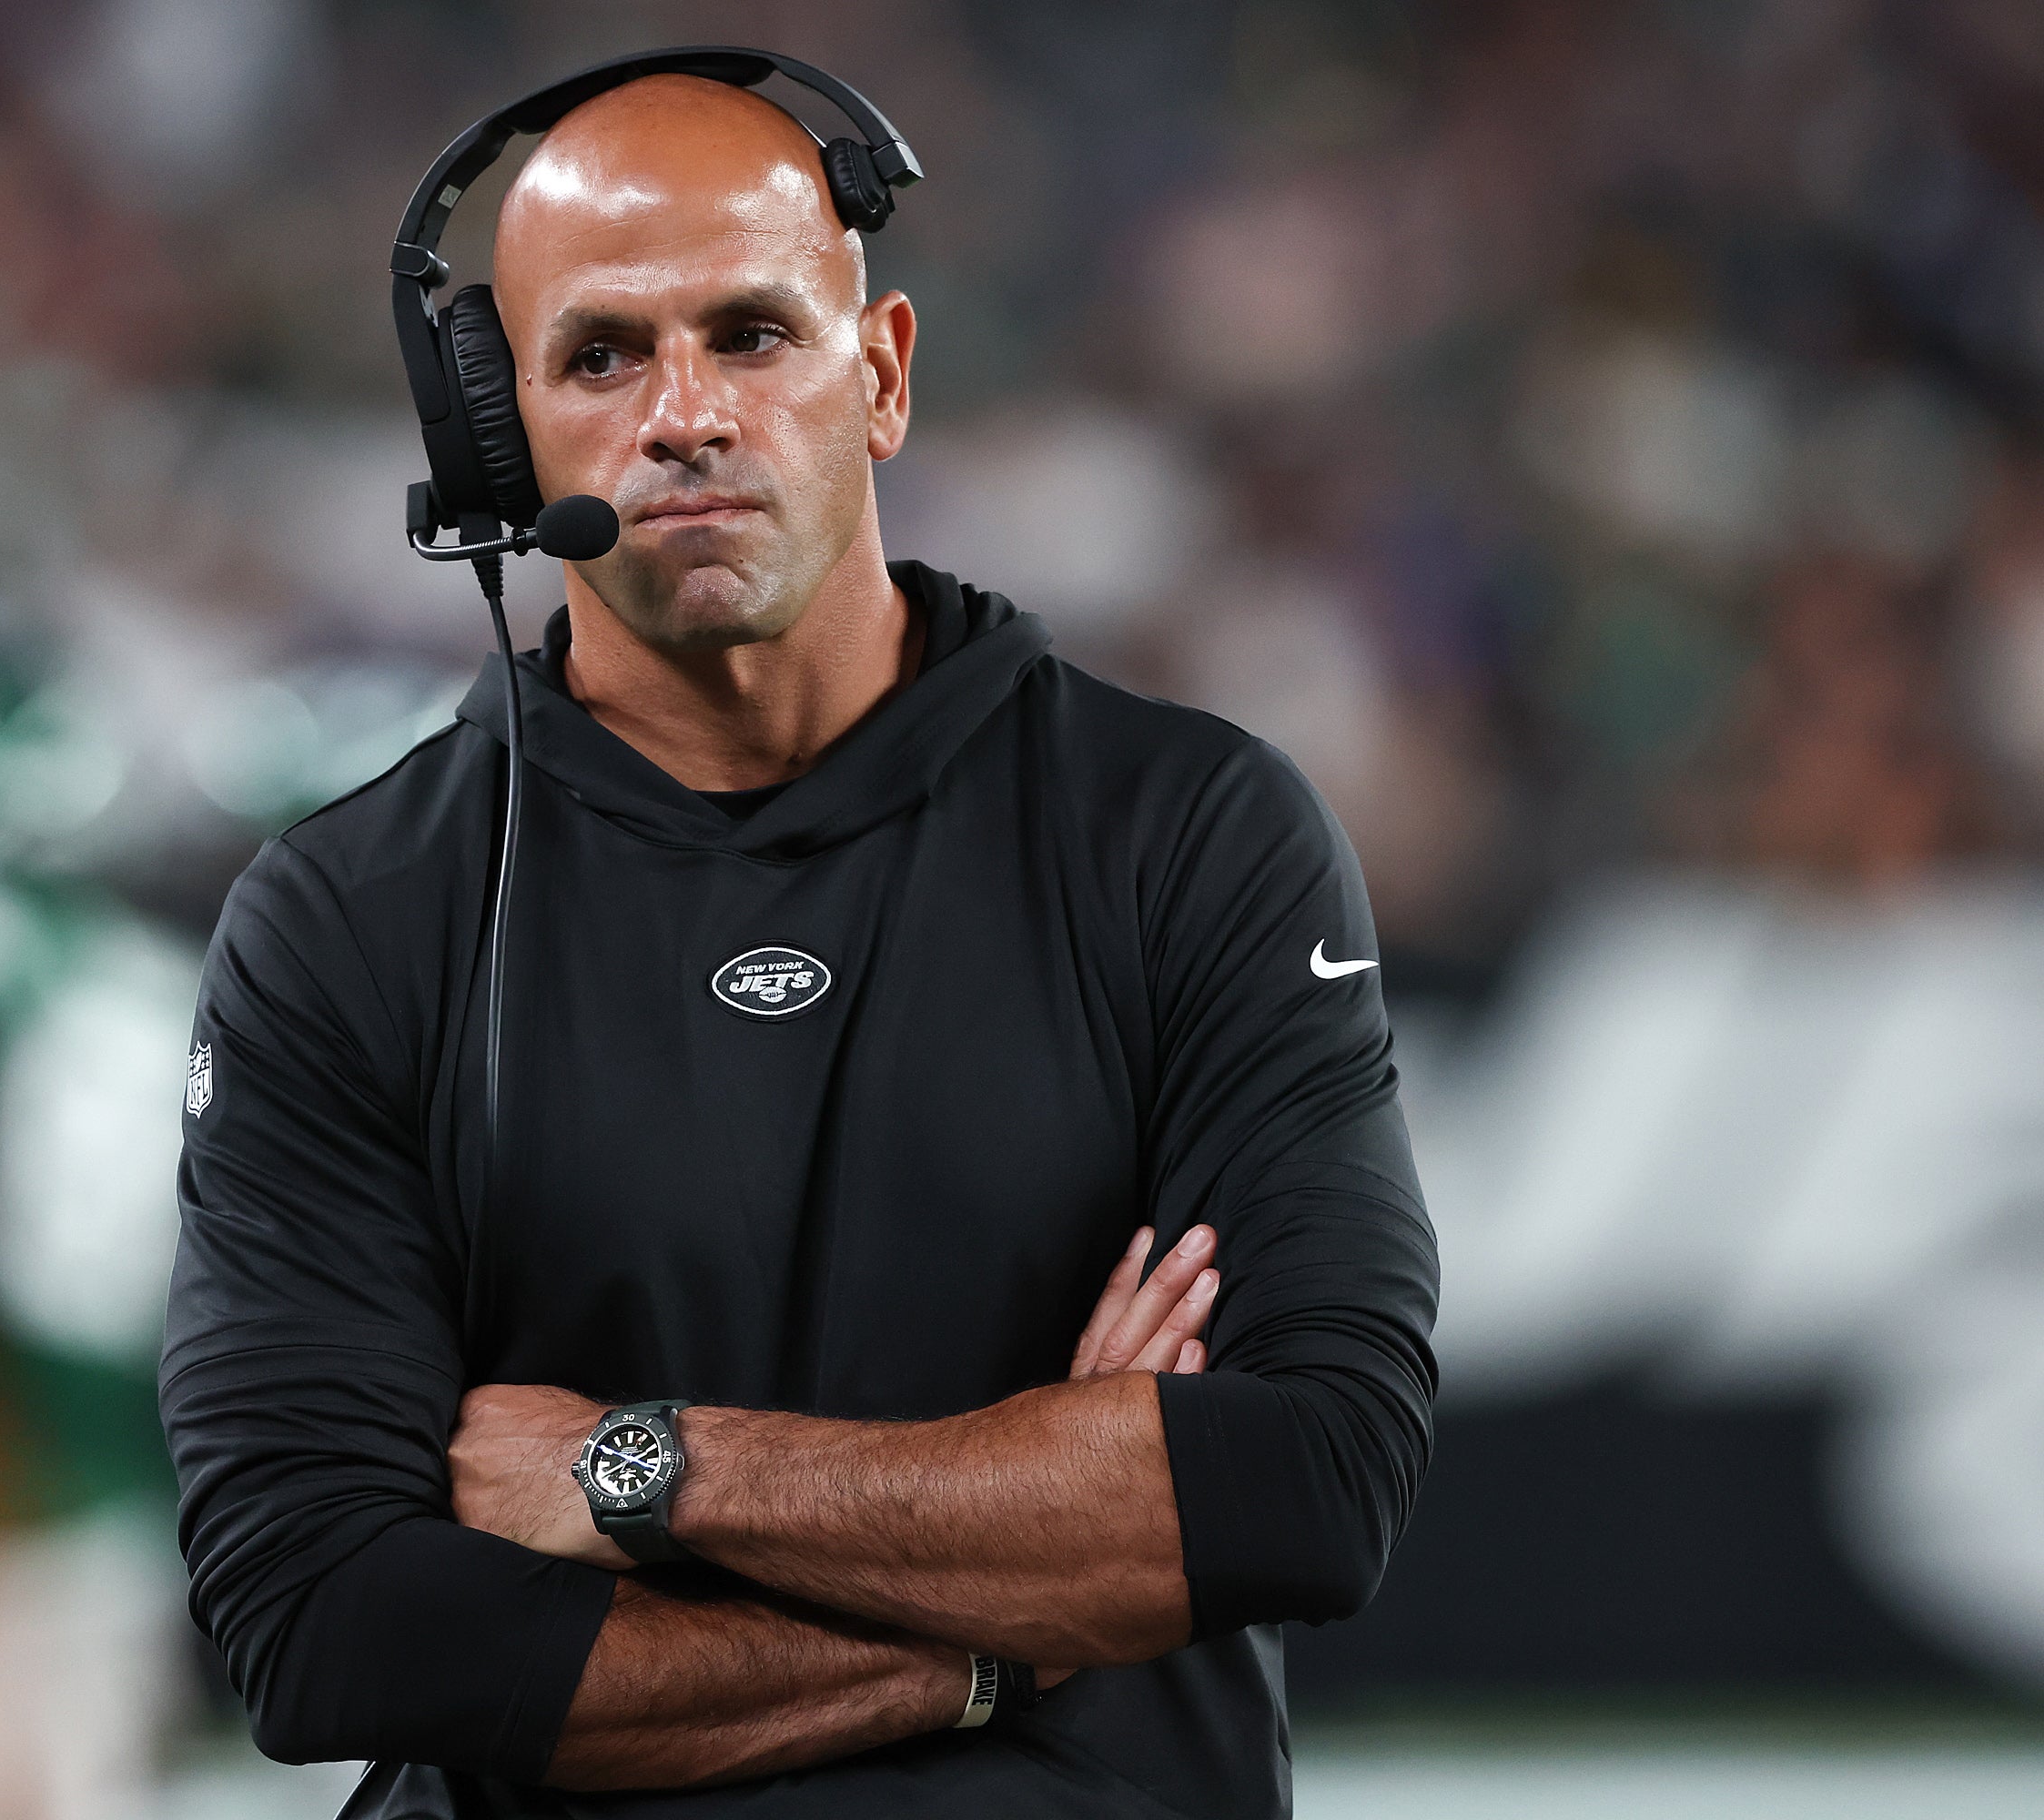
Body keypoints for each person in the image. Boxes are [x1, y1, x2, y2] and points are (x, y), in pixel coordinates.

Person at [161, 67, 1438, 1819]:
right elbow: (321, 1627)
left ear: (885, 374)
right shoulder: (347, 918)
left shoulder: (1192, 832)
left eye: (752, 334)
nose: (683, 416)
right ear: (500, 433)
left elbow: (1308, 1481)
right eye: (602, 356)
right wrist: (1001, 1633)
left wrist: (638, 1472)